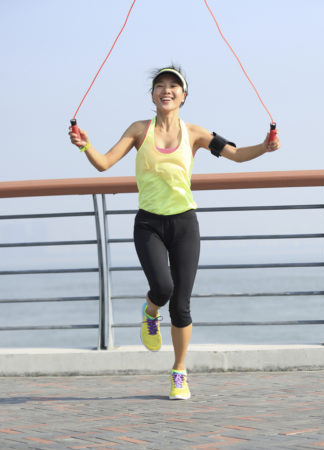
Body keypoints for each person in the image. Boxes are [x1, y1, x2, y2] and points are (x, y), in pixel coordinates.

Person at [68, 65, 281, 400]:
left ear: (183, 95)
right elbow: (104, 163)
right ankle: (150, 311)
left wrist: (265, 147)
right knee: (163, 288)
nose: (166, 90)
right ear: (153, 95)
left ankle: (179, 372)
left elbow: (236, 155)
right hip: (149, 224)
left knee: (181, 305)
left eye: (173, 86)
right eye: (159, 86)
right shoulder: (140, 130)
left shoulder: (195, 132)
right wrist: (85, 145)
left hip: (184, 223)